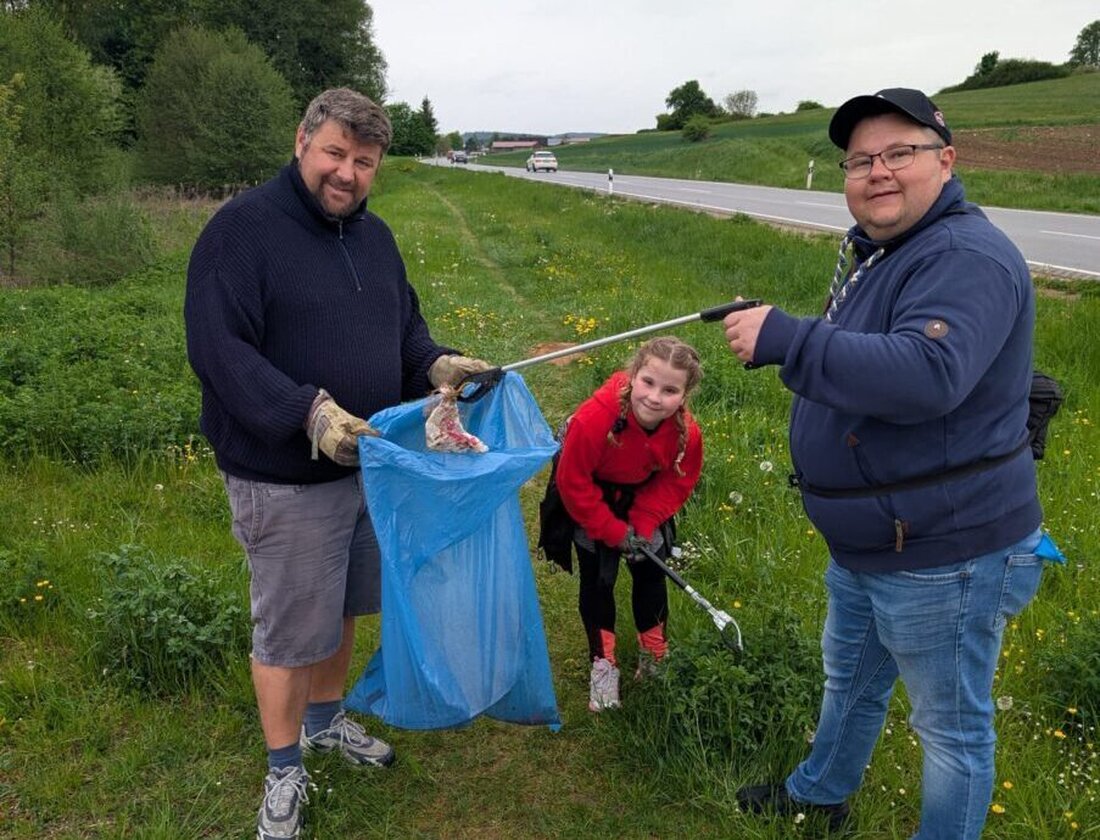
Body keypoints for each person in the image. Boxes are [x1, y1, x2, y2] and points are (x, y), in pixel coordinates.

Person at [723, 88, 1056, 838]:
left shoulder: (965, 254)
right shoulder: (888, 251)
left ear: (946, 159)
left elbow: (927, 372)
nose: (877, 171)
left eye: (898, 153)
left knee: (952, 733)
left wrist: (789, 339)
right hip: (879, 539)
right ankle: (821, 792)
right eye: (860, 160)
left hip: (948, 550)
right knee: (853, 683)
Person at [184, 87, 490, 840]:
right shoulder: (241, 233)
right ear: (301, 142)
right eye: (335, 153)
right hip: (283, 478)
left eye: (364, 161)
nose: (347, 173)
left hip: (369, 468)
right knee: (290, 631)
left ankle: (325, 725)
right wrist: (307, 414)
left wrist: (438, 365)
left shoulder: (376, 238)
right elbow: (219, 352)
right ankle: (284, 768)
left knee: (343, 609)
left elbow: (404, 332)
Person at [554, 336, 704, 711]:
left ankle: (653, 657)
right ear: (634, 375)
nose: (655, 397)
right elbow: (572, 483)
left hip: (644, 499)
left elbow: (678, 480)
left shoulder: (687, 433)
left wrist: (645, 521)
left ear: (685, 395)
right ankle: (603, 665)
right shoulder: (594, 419)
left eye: (670, 390)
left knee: (651, 572)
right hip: (592, 499)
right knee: (598, 579)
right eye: (648, 383)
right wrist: (613, 531)